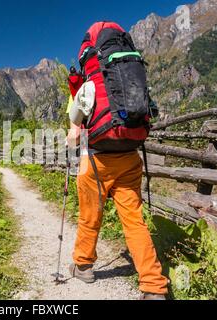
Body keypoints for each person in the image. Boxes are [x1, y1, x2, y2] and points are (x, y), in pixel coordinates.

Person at [66, 22, 169, 301]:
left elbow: (75, 134)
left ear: (87, 54)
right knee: (134, 221)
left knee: (90, 216)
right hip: (130, 156)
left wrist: (72, 135)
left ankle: (83, 265)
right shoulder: (130, 74)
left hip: (96, 161)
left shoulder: (88, 84)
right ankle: (153, 286)